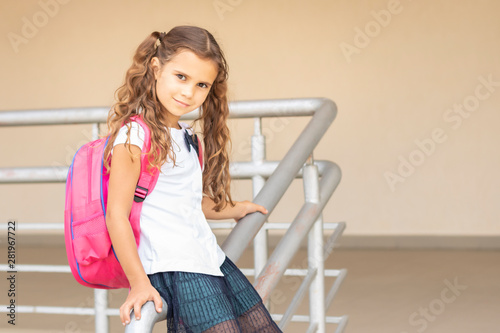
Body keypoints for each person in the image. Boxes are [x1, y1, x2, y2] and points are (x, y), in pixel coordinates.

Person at [104, 26, 283, 332]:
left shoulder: (187, 138)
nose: (189, 92)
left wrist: (235, 209)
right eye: (181, 77)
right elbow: (116, 214)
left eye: (202, 84)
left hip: (208, 258)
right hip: (175, 266)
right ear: (156, 69)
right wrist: (138, 283)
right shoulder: (135, 135)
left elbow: (188, 203)